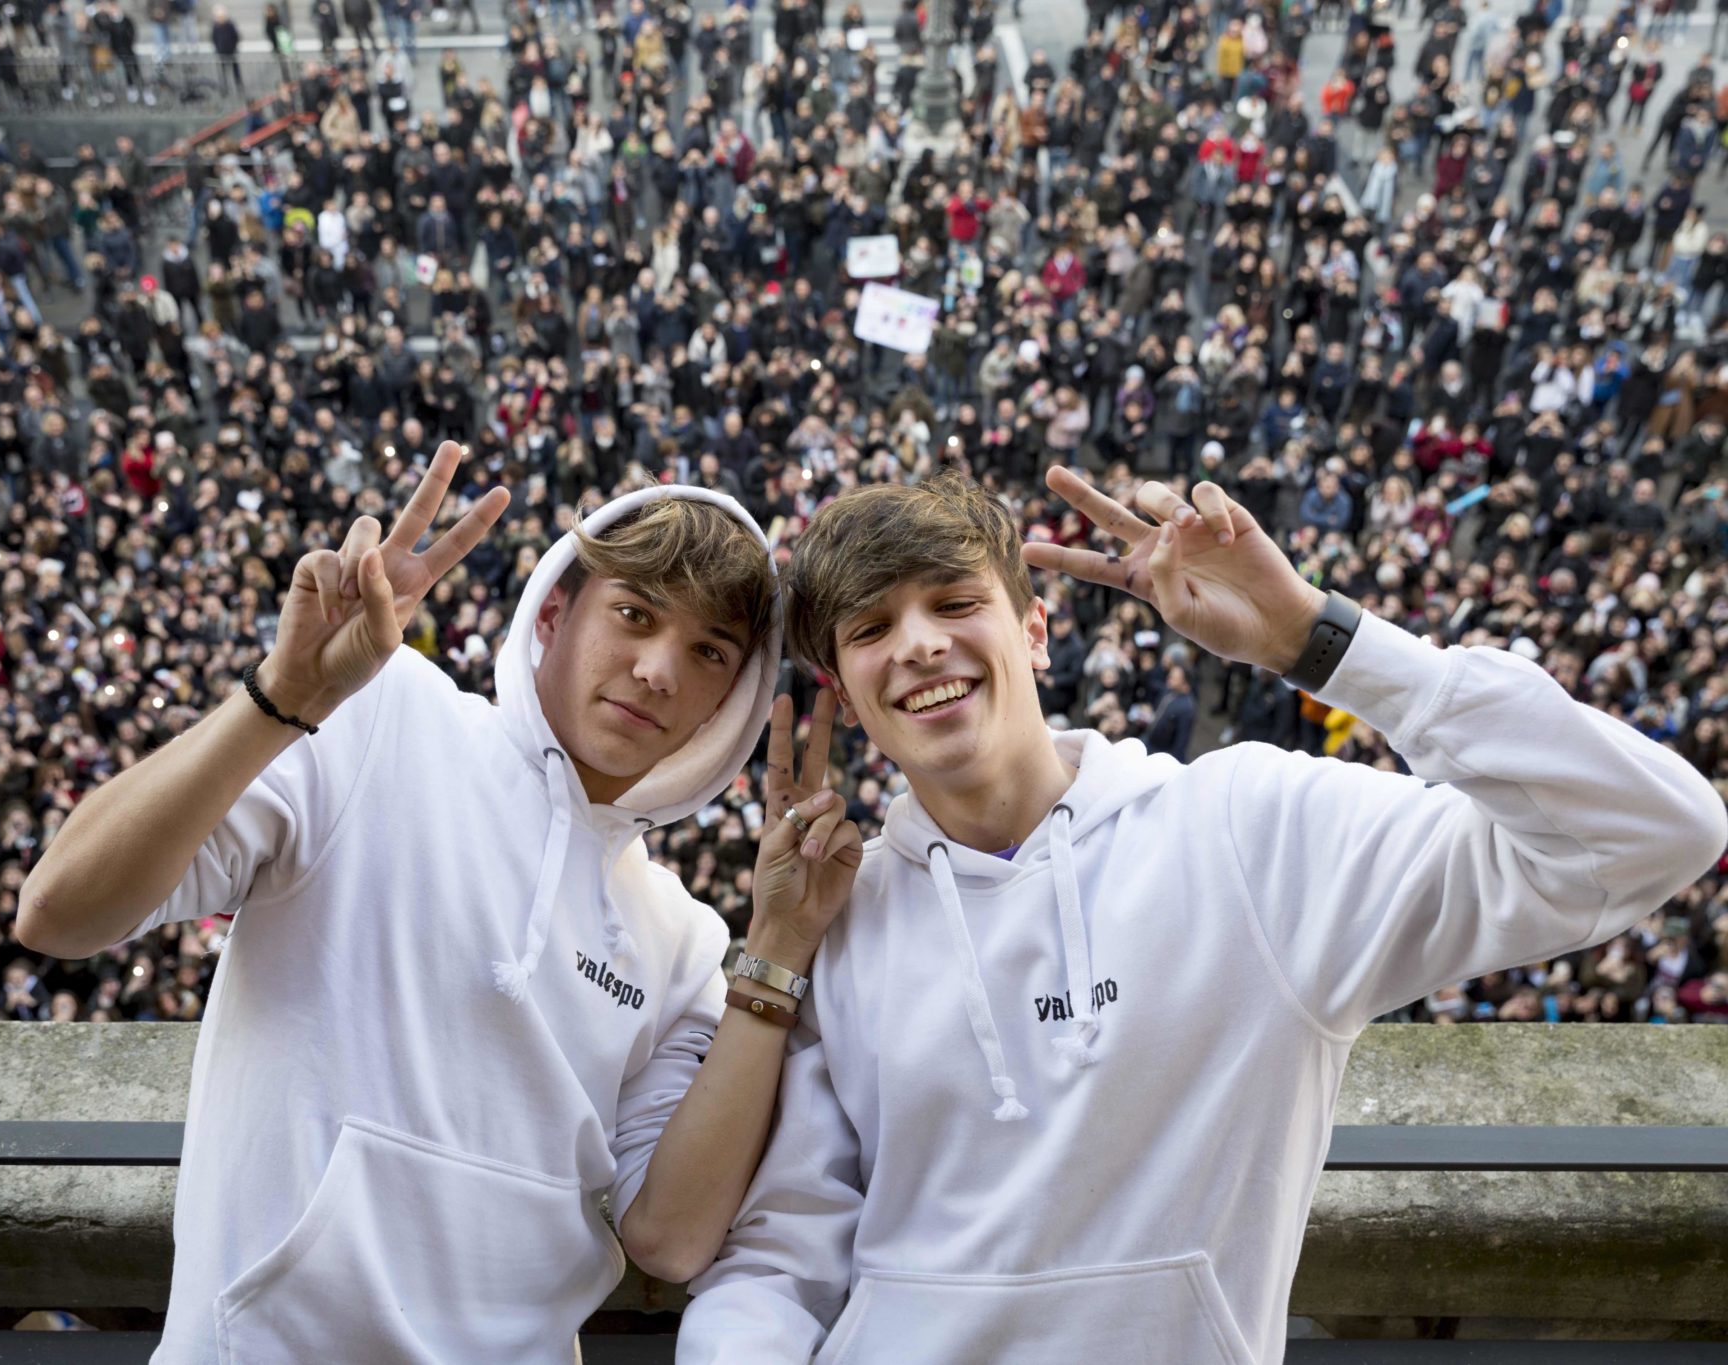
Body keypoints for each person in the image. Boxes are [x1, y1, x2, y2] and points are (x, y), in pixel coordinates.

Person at [677, 470, 1726, 1363]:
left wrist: (1317, 640)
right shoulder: (832, 915)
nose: (916, 645)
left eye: (954, 603)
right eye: (871, 629)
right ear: (845, 692)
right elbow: (783, 1256)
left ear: (1035, 631)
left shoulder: (1253, 830)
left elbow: (1650, 833)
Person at [19, 443, 861, 1362]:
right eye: (634, 613)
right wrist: (283, 696)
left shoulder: (682, 937)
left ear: (727, 701)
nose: (660, 668)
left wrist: (778, 942)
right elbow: (59, 913)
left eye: (708, 651)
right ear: (553, 613)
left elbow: (671, 1235)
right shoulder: (378, 714)